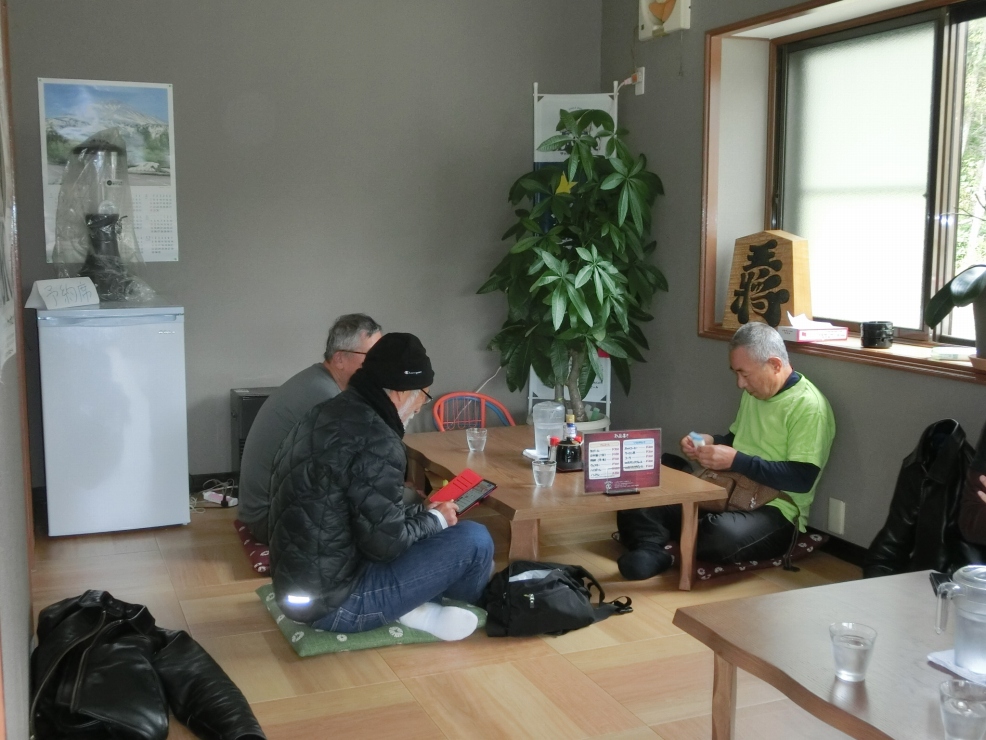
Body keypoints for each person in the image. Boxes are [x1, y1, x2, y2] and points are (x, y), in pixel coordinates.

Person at [267, 333, 494, 641]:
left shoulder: (325, 412)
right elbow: (386, 546)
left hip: (297, 590)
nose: (419, 408)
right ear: (401, 393)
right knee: (475, 540)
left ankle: (417, 605)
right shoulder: (378, 440)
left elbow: (355, 516)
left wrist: (423, 515)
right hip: (336, 605)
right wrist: (435, 520)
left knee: (434, 526)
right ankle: (457, 604)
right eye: (423, 396)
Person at [617, 322, 836, 579]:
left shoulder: (809, 407)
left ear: (775, 365)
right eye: (736, 374)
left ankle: (657, 541)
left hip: (776, 511)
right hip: (727, 491)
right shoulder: (754, 393)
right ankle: (652, 550)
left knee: (719, 536)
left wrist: (736, 461)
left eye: (745, 374)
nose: (740, 384)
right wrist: (707, 441)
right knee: (637, 496)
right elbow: (735, 439)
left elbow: (801, 479)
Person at [237, 313, 382, 544]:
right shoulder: (325, 397)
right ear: (340, 358)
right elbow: (350, 473)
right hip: (270, 520)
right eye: (371, 356)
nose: (379, 364)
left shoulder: (317, 380)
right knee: (389, 515)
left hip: (263, 510)